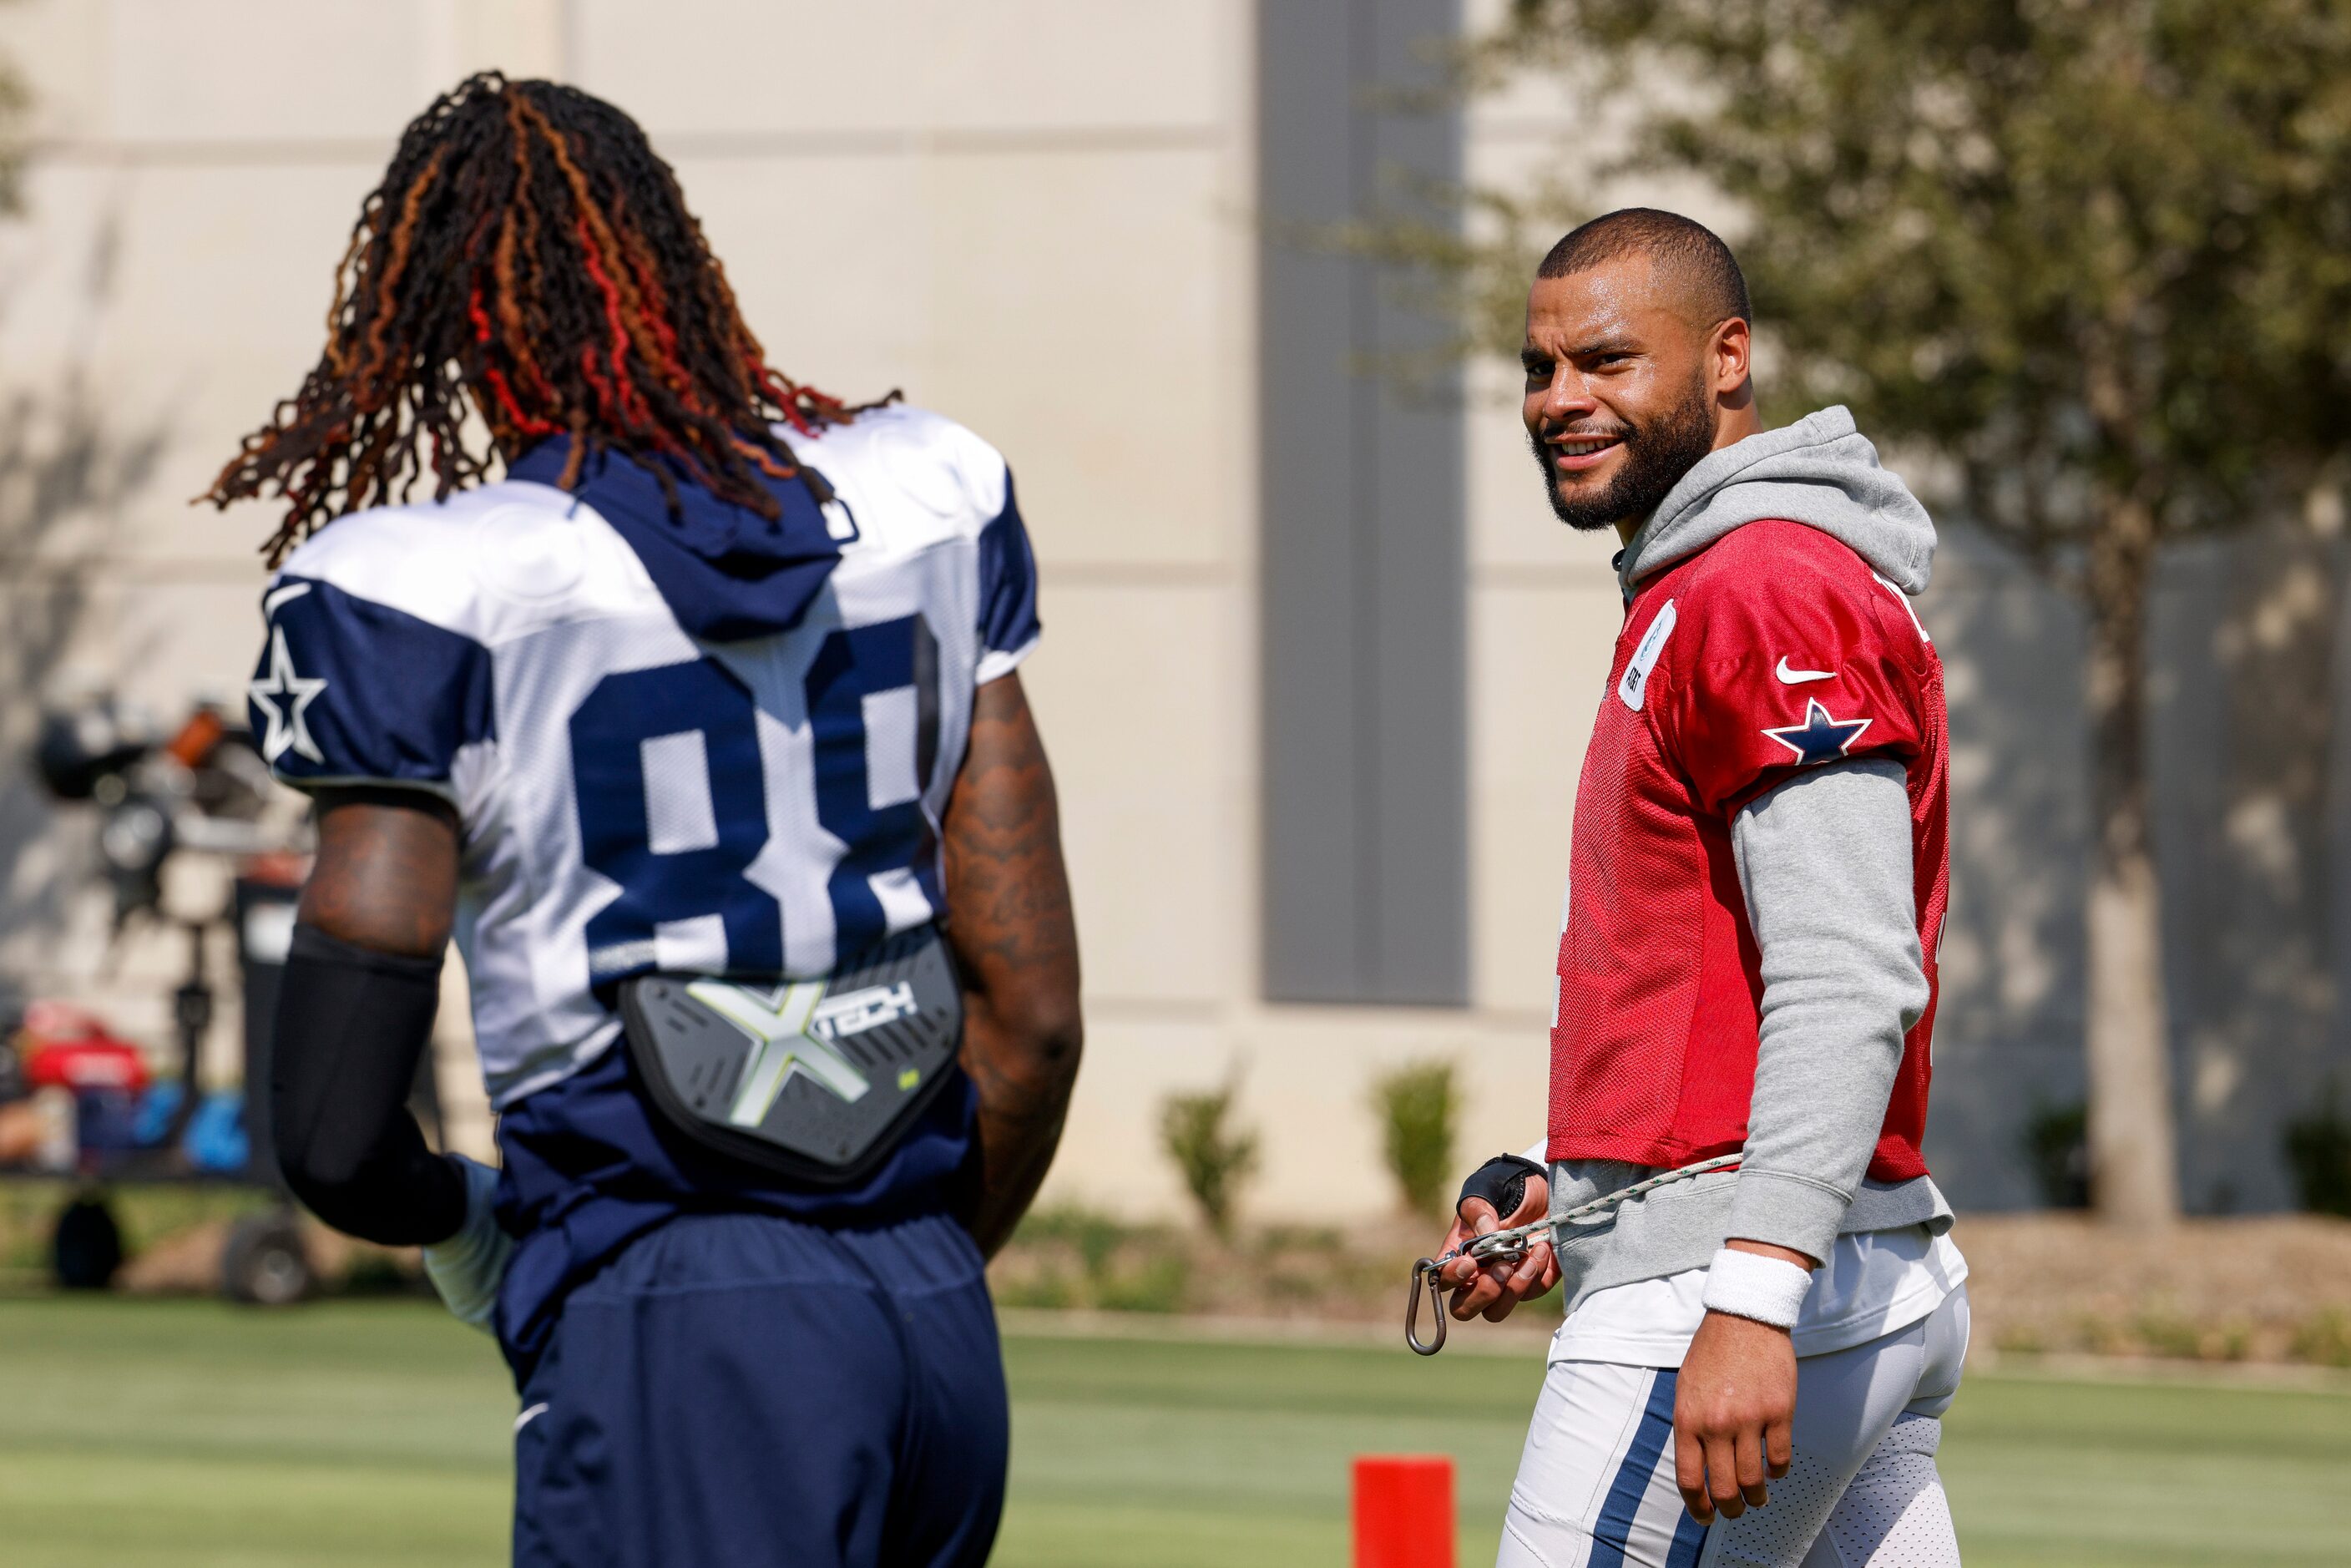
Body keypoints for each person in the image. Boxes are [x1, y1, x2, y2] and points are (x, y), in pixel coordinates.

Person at [206, 74, 1082, 1568]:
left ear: (450, 321)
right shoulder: (930, 490)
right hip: (934, 1319)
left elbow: (335, 1128)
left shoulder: (432, 587)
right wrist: (898, 1269)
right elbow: (1034, 1016)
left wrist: (481, 1232)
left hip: (670, 1304)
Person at [1429, 210, 1969, 1567]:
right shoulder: (1714, 580)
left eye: (1606, 362)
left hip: (1742, 1290)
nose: (1560, 401)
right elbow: (1711, 987)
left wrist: (1750, 1293)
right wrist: (1585, 1184)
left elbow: (1851, 971)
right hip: (1831, 1267)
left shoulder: (1764, 585)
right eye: (1540, 369)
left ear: (1728, 358)